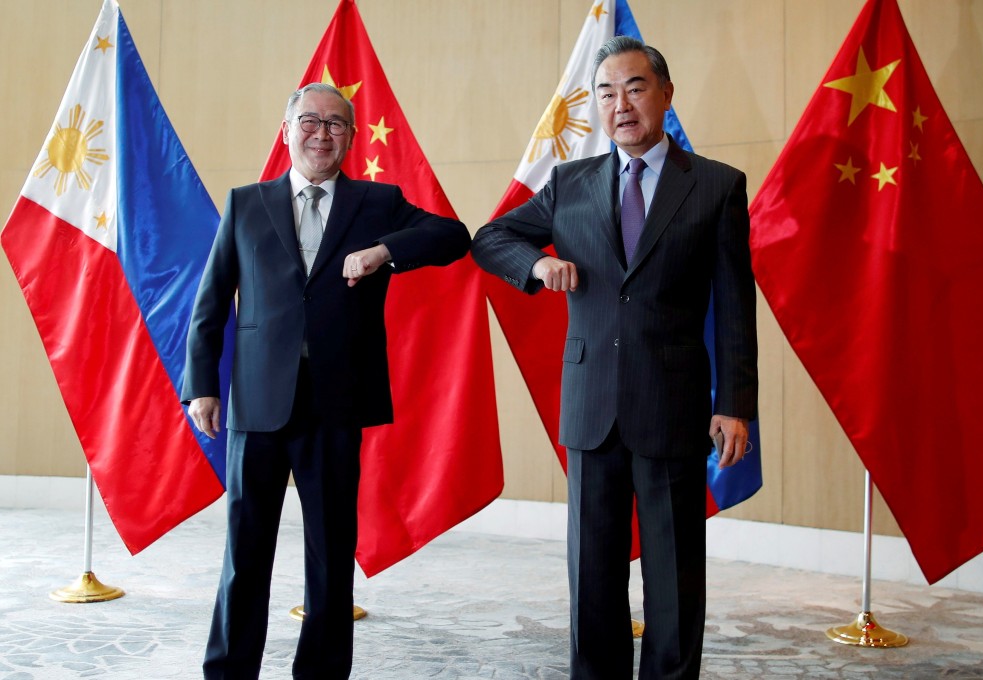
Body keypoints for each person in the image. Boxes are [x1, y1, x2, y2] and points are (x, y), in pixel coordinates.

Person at [471, 37, 758, 679]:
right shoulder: (570, 183)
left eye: (633, 87)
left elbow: (736, 303)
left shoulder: (715, 186)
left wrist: (735, 405)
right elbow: (490, 239)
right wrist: (539, 262)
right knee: (592, 572)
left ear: (664, 94)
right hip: (591, 403)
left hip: (673, 405)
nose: (619, 104)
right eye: (605, 92)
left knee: (674, 574)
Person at [181, 82, 470, 680]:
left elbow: (453, 235)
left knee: (332, 553)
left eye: (337, 125)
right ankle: (229, 670)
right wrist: (202, 382)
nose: (323, 133)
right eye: (310, 121)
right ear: (287, 130)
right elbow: (211, 300)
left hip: (335, 402)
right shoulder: (246, 202)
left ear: (352, 140)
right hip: (259, 403)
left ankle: (321, 671)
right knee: (245, 550)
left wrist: (383, 252)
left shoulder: (376, 202)